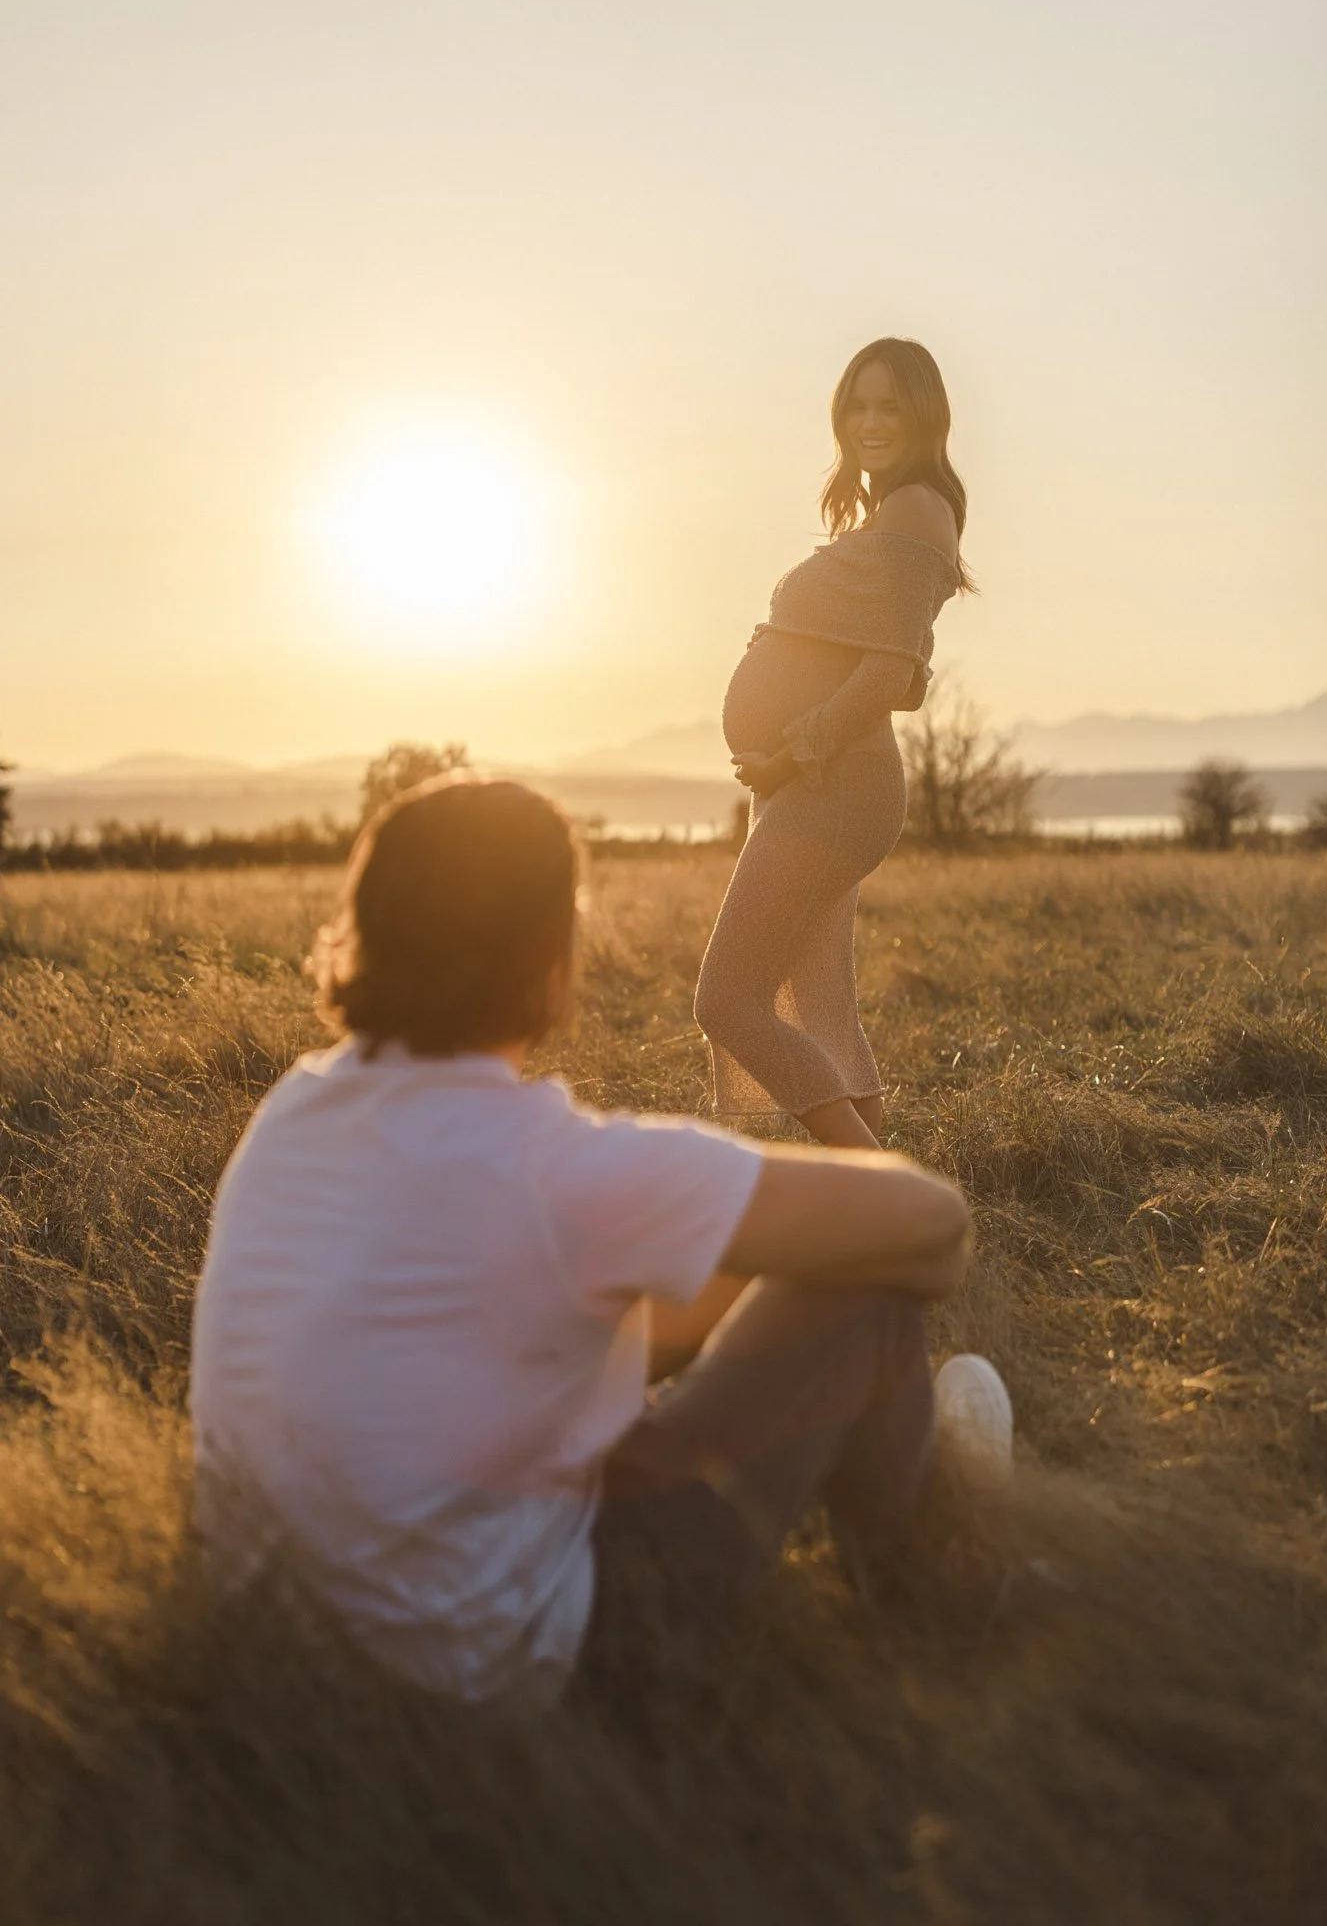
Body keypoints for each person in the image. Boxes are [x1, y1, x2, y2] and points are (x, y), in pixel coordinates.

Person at [190, 776, 1011, 1710]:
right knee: (862, 1297)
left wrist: (652, 1320)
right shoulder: (550, 1166)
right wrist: (767, 1257)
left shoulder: (294, 1111)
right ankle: (942, 1597)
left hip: (272, 1675)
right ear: (550, 958)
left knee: (626, 1363)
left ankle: (922, 1486)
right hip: (509, 1676)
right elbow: (933, 1225)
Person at [695, 337, 973, 1149]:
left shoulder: (918, 506)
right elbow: (854, 647)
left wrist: (796, 750)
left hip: (836, 784)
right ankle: (862, 1192)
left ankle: (883, 1199)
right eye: (859, 404)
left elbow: (890, 670)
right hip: (818, 784)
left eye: (891, 405)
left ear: (924, 416)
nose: (871, 421)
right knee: (820, 1006)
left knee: (727, 1000)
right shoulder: (888, 513)